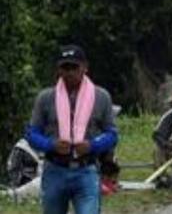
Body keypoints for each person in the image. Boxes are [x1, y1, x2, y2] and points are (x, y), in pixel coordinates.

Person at [26, 45, 119, 214]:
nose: (69, 72)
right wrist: (51, 144)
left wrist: (92, 145)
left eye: (74, 67)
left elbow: (112, 135)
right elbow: (31, 134)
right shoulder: (45, 98)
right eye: (65, 67)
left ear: (84, 67)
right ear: (59, 70)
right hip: (54, 170)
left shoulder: (101, 96)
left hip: (86, 170)